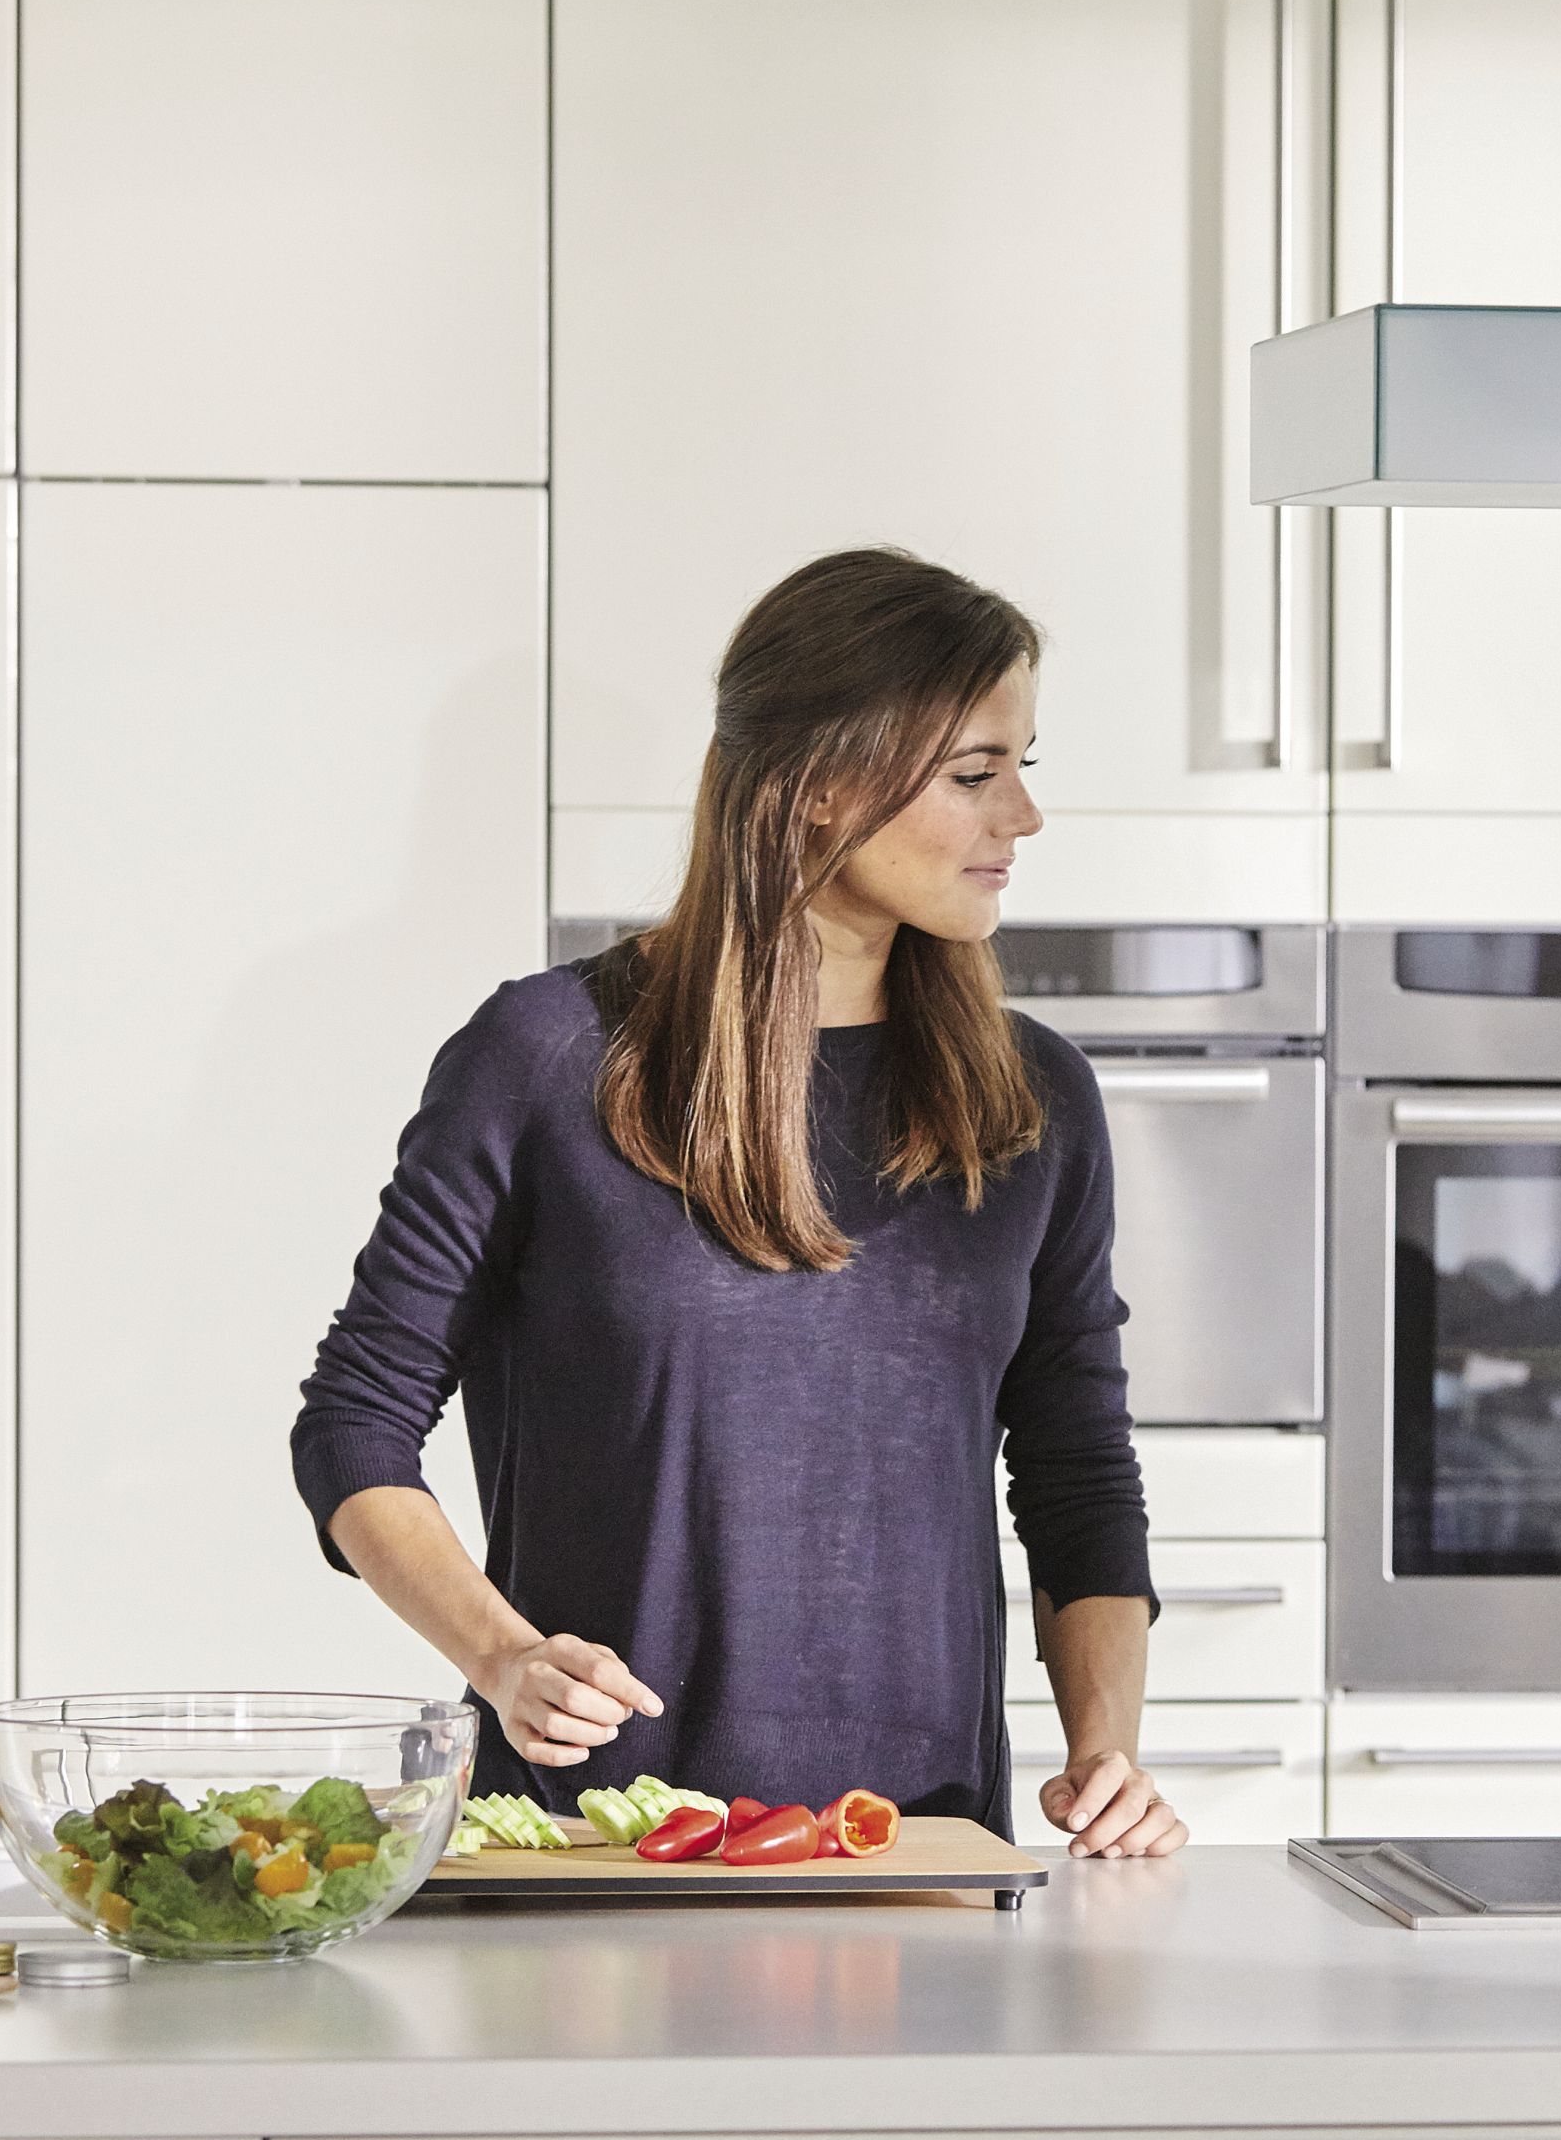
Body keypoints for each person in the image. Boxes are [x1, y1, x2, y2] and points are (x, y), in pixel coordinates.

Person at [290, 548, 1185, 1855]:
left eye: (1022, 769)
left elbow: (1077, 1465)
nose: (1022, 820)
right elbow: (356, 1426)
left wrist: (1107, 1750)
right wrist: (505, 1656)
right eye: (977, 775)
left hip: (916, 1850)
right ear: (824, 786)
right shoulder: (545, 1061)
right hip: (597, 1844)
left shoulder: (1033, 1098)